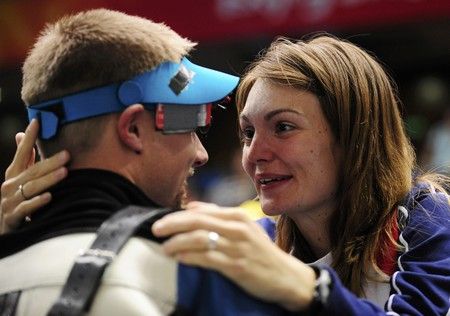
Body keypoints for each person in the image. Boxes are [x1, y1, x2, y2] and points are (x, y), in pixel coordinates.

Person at [2, 35, 450, 314]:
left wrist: (308, 289)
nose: (255, 154)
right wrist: (16, 235)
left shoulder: (427, 219)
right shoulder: (250, 237)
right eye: (247, 132)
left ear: (355, 137)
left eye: (284, 127)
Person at [0, 9, 296, 315]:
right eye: (191, 124)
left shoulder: (6, 268)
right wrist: (315, 290)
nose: (201, 154)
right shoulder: (197, 279)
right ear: (133, 129)